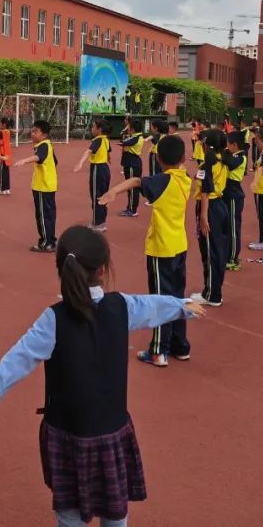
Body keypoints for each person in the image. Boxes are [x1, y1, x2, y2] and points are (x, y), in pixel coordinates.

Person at [0, 225, 205, 527]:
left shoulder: (54, 319)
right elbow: (152, 305)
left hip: (69, 434)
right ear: (103, 269)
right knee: (116, 505)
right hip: (113, 430)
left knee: (71, 514)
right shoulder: (120, 306)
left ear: (59, 269)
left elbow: (20, 356)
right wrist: (182, 306)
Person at [99, 135, 192, 367]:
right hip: (180, 245)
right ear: (183, 158)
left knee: (160, 299)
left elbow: (137, 181)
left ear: (159, 160)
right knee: (177, 296)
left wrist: (113, 192)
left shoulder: (163, 181)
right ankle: (180, 346)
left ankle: (159, 350)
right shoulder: (185, 178)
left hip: (162, 247)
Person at [191, 129, 229, 307]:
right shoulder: (223, 160)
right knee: (217, 250)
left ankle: (212, 294)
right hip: (220, 205)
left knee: (209, 252)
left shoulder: (207, 165)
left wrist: (203, 218)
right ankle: (213, 291)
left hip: (209, 208)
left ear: (206, 144)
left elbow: (206, 192)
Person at [13, 119, 58, 253]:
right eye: (32, 131)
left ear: (44, 135)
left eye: (35, 131)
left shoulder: (43, 146)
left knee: (43, 216)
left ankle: (46, 243)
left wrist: (24, 160)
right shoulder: (48, 145)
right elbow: (55, 161)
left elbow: (39, 157)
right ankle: (51, 239)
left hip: (42, 187)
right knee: (48, 215)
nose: (32, 134)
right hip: (48, 186)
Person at [74, 118, 111, 232]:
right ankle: (102, 221)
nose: (92, 128)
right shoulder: (106, 140)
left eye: (93, 126)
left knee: (96, 196)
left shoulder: (98, 140)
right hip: (105, 169)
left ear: (99, 129)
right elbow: (108, 152)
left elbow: (88, 152)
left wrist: (80, 163)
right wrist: (108, 161)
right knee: (103, 195)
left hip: (98, 170)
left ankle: (97, 223)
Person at [223, 131, 248, 271]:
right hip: (227, 193)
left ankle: (232, 258)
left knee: (233, 227)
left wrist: (223, 152)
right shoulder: (232, 154)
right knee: (227, 226)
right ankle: (227, 254)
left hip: (234, 195)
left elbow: (230, 163)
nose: (226, 147)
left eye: (228, 145)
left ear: (234, 145)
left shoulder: (241, 157)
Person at [117, 117, 144, 218]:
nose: (128, 129)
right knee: (129, 187)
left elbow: (124, 142)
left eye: (129, 127)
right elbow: (123, 140)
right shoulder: (134, 136)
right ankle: (130, 208)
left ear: (132, 129)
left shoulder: (136, 138)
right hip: (130, 164)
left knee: (132, 188)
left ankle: (133, 210)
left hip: (133, 164)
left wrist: (123, 140)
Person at [0, 117, 13, 195]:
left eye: (1, 124)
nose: (0, 125)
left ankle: (3, 189)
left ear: (4, 124)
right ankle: (7, 188)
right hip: (7, 154)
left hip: (3, 154)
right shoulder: (8, 131)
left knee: (1, 172)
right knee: (6, 172)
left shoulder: (2, 132)